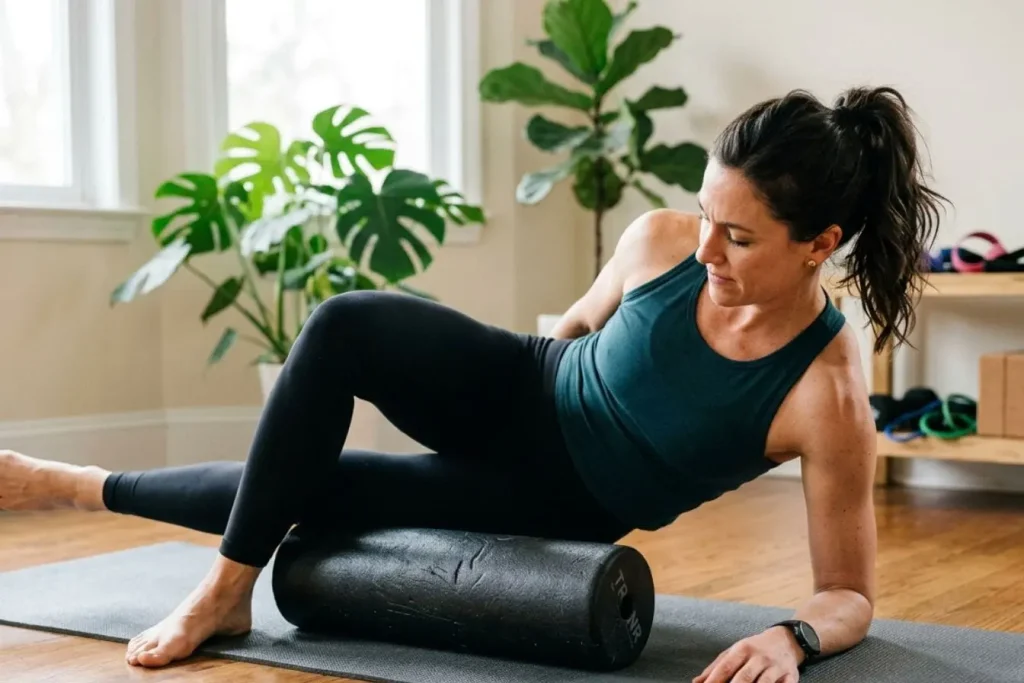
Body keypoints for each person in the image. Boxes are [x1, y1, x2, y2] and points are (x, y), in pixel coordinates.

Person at [0, 85, 947, 683]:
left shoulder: (824, 393)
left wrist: (791, 639)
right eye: (705, 213)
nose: (705, 250)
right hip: (522, 385)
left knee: (321, 491)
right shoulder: (661, 241)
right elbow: (572, 332)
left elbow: (847, 593)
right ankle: (224, 590)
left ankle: (68, 483)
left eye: (737, 237)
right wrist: (488, 371)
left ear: (819, 243)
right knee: (344, 323)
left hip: (556, 503)